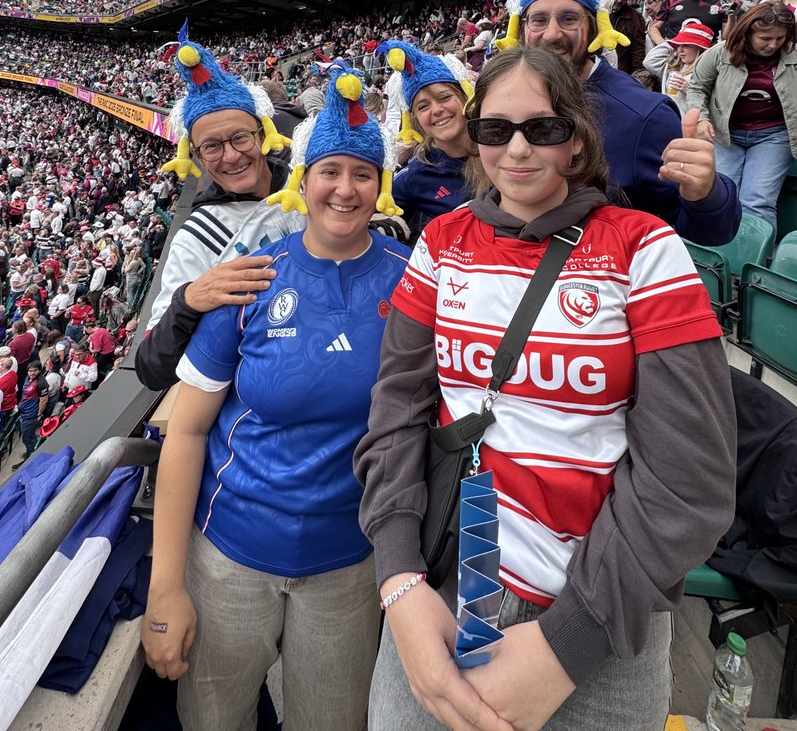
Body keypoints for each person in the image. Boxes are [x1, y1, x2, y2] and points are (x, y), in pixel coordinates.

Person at [354, 47, 736, 731]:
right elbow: (396, 414)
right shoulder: (441, 242)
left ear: (578, 138)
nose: (518, 149)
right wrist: (399, 579)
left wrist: (567, 647)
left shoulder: (644, 248)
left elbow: (692, 478)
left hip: (603, 614)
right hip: (446, 586)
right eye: (496, 131)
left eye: (544, 129)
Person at [142, 69, 410, 731]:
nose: (345, 189)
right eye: (329, 172)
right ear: (304, 177)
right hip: (228, 555)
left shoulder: (412, 283)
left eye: (362, 174)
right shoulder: (250, 276)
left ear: (381, 186)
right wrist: (165, 588)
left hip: (350, 564)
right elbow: (186, 428)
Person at [495, 0, 741, 246]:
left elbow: (710, 232)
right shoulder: (509, 102)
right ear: (523, 29)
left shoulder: (643, 115)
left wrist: (707, 193)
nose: (552, 33)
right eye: (538, 20)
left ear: (595, 27)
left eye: (569, 19)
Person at [135, 30, 302, 391]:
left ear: (261, 134)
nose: (230, 156)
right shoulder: (195, 239)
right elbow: (151, 368)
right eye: (212, 147)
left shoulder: (309, 186)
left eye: (240, 138)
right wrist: (189, 300)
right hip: (259, 391)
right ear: (195, 156)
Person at [686, 2, 797, 227]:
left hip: (775, 136)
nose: (773, 45)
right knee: (723, 194)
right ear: (748, 33)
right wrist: (701, 118)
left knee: (757, 200)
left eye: (780, 38)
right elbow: (697, 88)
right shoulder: (720, 53)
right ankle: (716, 253)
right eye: (765, 38)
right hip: (726, 135)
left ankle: (754, 255)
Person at [376, 41, 475, 242]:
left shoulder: (502, 146)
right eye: (423, 106)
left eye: (444, 97)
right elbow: (377, 215)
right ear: (415, 119)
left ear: (465, 97)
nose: (436, 110)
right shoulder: (416, 173)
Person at [643, 20, 715, 115]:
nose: (680, 50)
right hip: (670, 122)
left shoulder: (708, 72)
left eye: (685, 45)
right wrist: (671, 45)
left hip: (691, 125)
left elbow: (714, 107)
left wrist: (689, 92)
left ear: (700, 48)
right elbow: (649, 61)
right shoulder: (674, 66)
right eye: (678, 45)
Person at [12, 361, 49, 469]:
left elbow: (44, 400)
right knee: (27, 438)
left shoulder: (41, 383)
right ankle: (29, 452)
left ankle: (29, 459)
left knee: (28, 439)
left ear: (39, 370)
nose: (32, 373)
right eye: (30, 371)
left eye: (35, 370)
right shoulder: (28, 378)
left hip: (31, 416)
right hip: (24, 412)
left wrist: (39, 414)